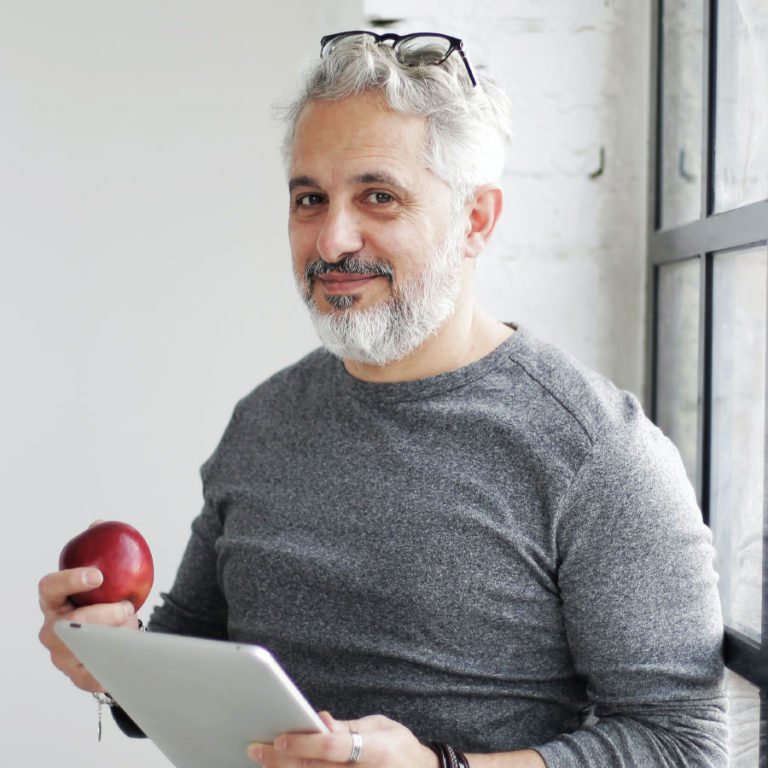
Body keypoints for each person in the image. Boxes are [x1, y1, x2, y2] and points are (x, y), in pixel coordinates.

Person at [38, 30, 727, 768]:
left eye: (378, 196)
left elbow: (684, 745)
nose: (332, 240)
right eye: (310, 199)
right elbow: (196, 662)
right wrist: (115, 656)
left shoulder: (598, 453)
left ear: (475, 220)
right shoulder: (264, 421)